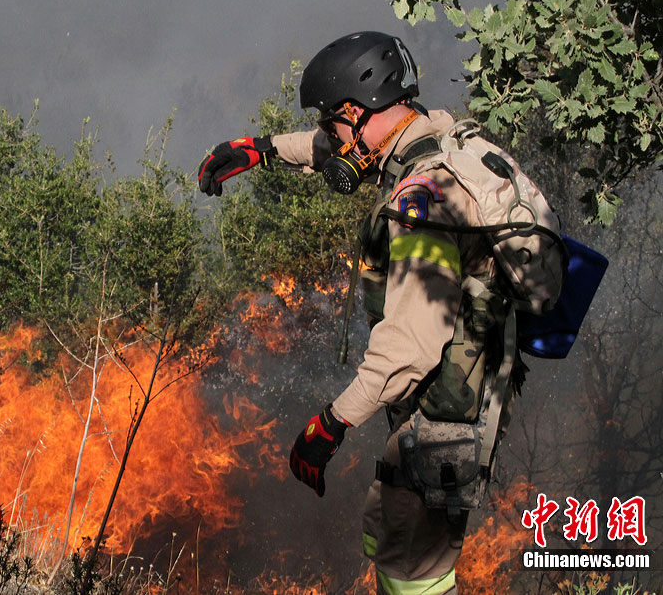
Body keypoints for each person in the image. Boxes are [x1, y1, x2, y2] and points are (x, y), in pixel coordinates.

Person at [197, 31, 562, 594]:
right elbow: (336, 149)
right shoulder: (432, 136)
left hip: (445, 413)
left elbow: (410, 346)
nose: (329, 139)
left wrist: (332, 422)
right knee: (391, 534)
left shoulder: (422, 202)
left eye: (332, 123)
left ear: (356, 112)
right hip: (453, 387)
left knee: (412, 572)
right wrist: (260, 148)